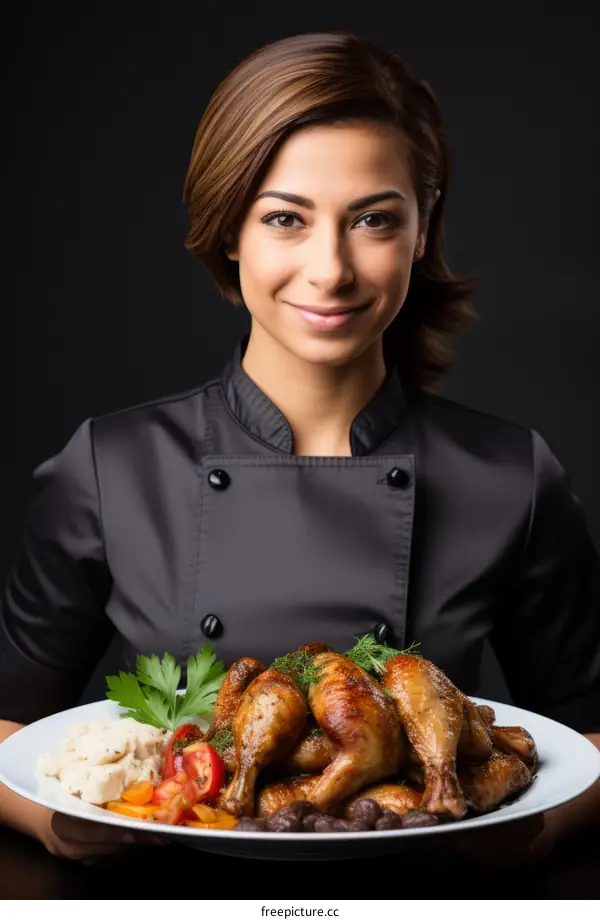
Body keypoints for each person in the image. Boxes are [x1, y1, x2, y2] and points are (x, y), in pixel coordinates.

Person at [1, 30, 599, 867]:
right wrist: (58, 828)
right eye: (286, 218)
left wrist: (525, 837)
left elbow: (587, 738)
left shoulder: (508, 476)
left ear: (421, 232)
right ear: (230, 231)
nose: (330, 269)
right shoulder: (111, 468)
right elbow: (11, 728)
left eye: (374, 220)